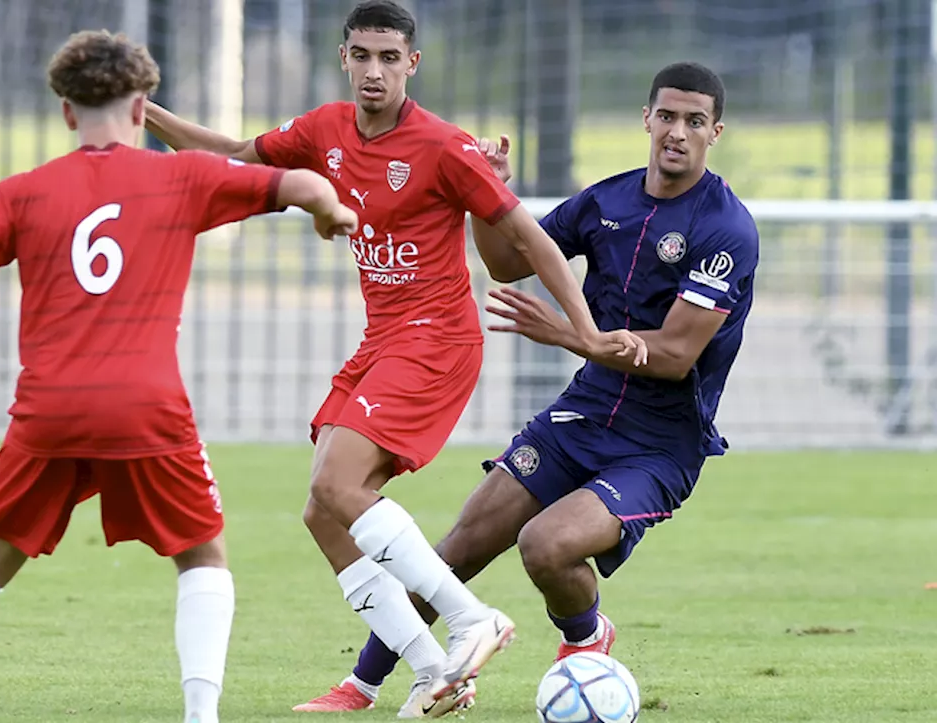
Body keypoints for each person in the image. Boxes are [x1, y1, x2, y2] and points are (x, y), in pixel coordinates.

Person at [143, 0, 645, 717]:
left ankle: (474, 620)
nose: (374, 71)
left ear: (413, 63)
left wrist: (588, 331)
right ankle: (433, 665)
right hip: (382, 341)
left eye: (389, 57)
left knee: (340, 484)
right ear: (344, 57)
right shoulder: (323, 129)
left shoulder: (443, 146)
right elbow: (236, 155)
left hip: (437, 340)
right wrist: (144, 113)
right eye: (362, 55)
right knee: (323, 510)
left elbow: (531, 239)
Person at [0, 29, 359, 723]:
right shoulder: (184, 176)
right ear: (142, 109)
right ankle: (200, 715)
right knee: (202, 555)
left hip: (49, 410)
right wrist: (330, 209)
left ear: (68, 113)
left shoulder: (24, 192)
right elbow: (300, 182)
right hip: (144, 406)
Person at [323, 61, 760, 714]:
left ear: (714, 132)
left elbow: (673, 354)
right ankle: (360, 685)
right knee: (458, 547)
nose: (677, 132)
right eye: (666, 116)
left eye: (694, 122)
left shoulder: (725, 229)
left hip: (658, 445)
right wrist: (486, 198)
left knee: (547, 545)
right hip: (581, 416)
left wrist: (573, 336)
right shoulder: (606, 201)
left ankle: (585, 636)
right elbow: (505, 260)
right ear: (646, 118)